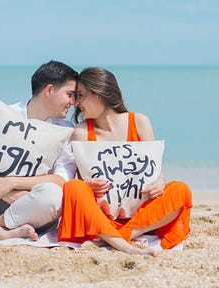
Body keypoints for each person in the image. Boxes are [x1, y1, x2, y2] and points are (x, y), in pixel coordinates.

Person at [57, 67, 192, 255]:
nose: (76, 103)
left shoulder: (139, 122)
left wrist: (160, 182)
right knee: (73, 187)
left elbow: (154, 168)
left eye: (81, 95)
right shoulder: (80, 132)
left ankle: (122, 236)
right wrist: (89, 184)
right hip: (103, 215)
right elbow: (82, 179)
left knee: (181, 190)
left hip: (141, 215)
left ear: (100, 94)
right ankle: (126, 246)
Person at [0, 60, 78, 241]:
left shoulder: (65, 130)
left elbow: (61, 180)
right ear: (49, 90)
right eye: (69, 94)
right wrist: (1, 193)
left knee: (53, 196)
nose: (73, 102)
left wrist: (11, 183)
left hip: (27, 204)